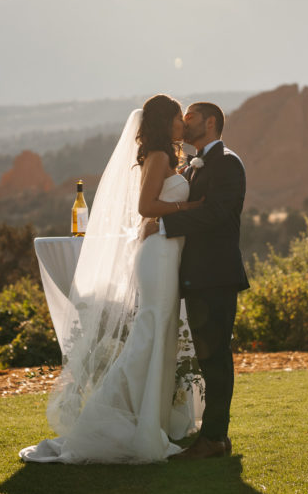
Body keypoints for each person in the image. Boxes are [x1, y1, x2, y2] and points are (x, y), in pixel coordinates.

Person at [20, 95, 202, 463]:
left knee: (160, 333)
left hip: (168, 253)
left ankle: (151, 421)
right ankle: (112, 420)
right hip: (157, 255)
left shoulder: (167, 157)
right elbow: (145, 208)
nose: (183, 124)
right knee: (149, 331)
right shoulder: (159, 157)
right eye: (177, 119)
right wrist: (189, 207)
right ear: (166, 122)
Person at [153, 101, 249, 459]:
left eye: (190, 117)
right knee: (208, 358)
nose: (184, 122)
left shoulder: (227, 163)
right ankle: (215, 437)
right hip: (196, 276)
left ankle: (214, 438)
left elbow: (218, 214)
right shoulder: (193, 166)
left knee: (216, 358)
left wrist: (163, 225)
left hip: (216, 276)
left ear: (210, 123)